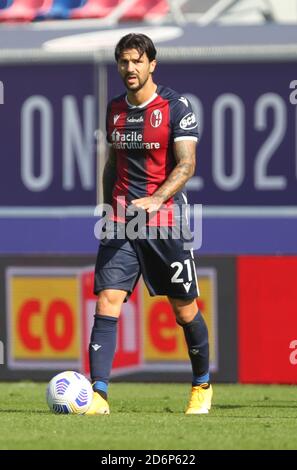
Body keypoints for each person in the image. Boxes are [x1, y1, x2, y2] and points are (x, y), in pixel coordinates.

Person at [86, 33, 212, 416]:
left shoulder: (176, 107)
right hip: (123, 220)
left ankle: (202, 385)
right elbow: (111, 163)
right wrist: (108, 210)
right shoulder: (114, 110)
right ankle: (99, 395)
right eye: (124, 62)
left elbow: (186, 165)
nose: (130, 68)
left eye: (137, 61)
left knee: (184, 310)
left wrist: (157, 199)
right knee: (108, 302)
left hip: (166, 222)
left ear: (151, 64)